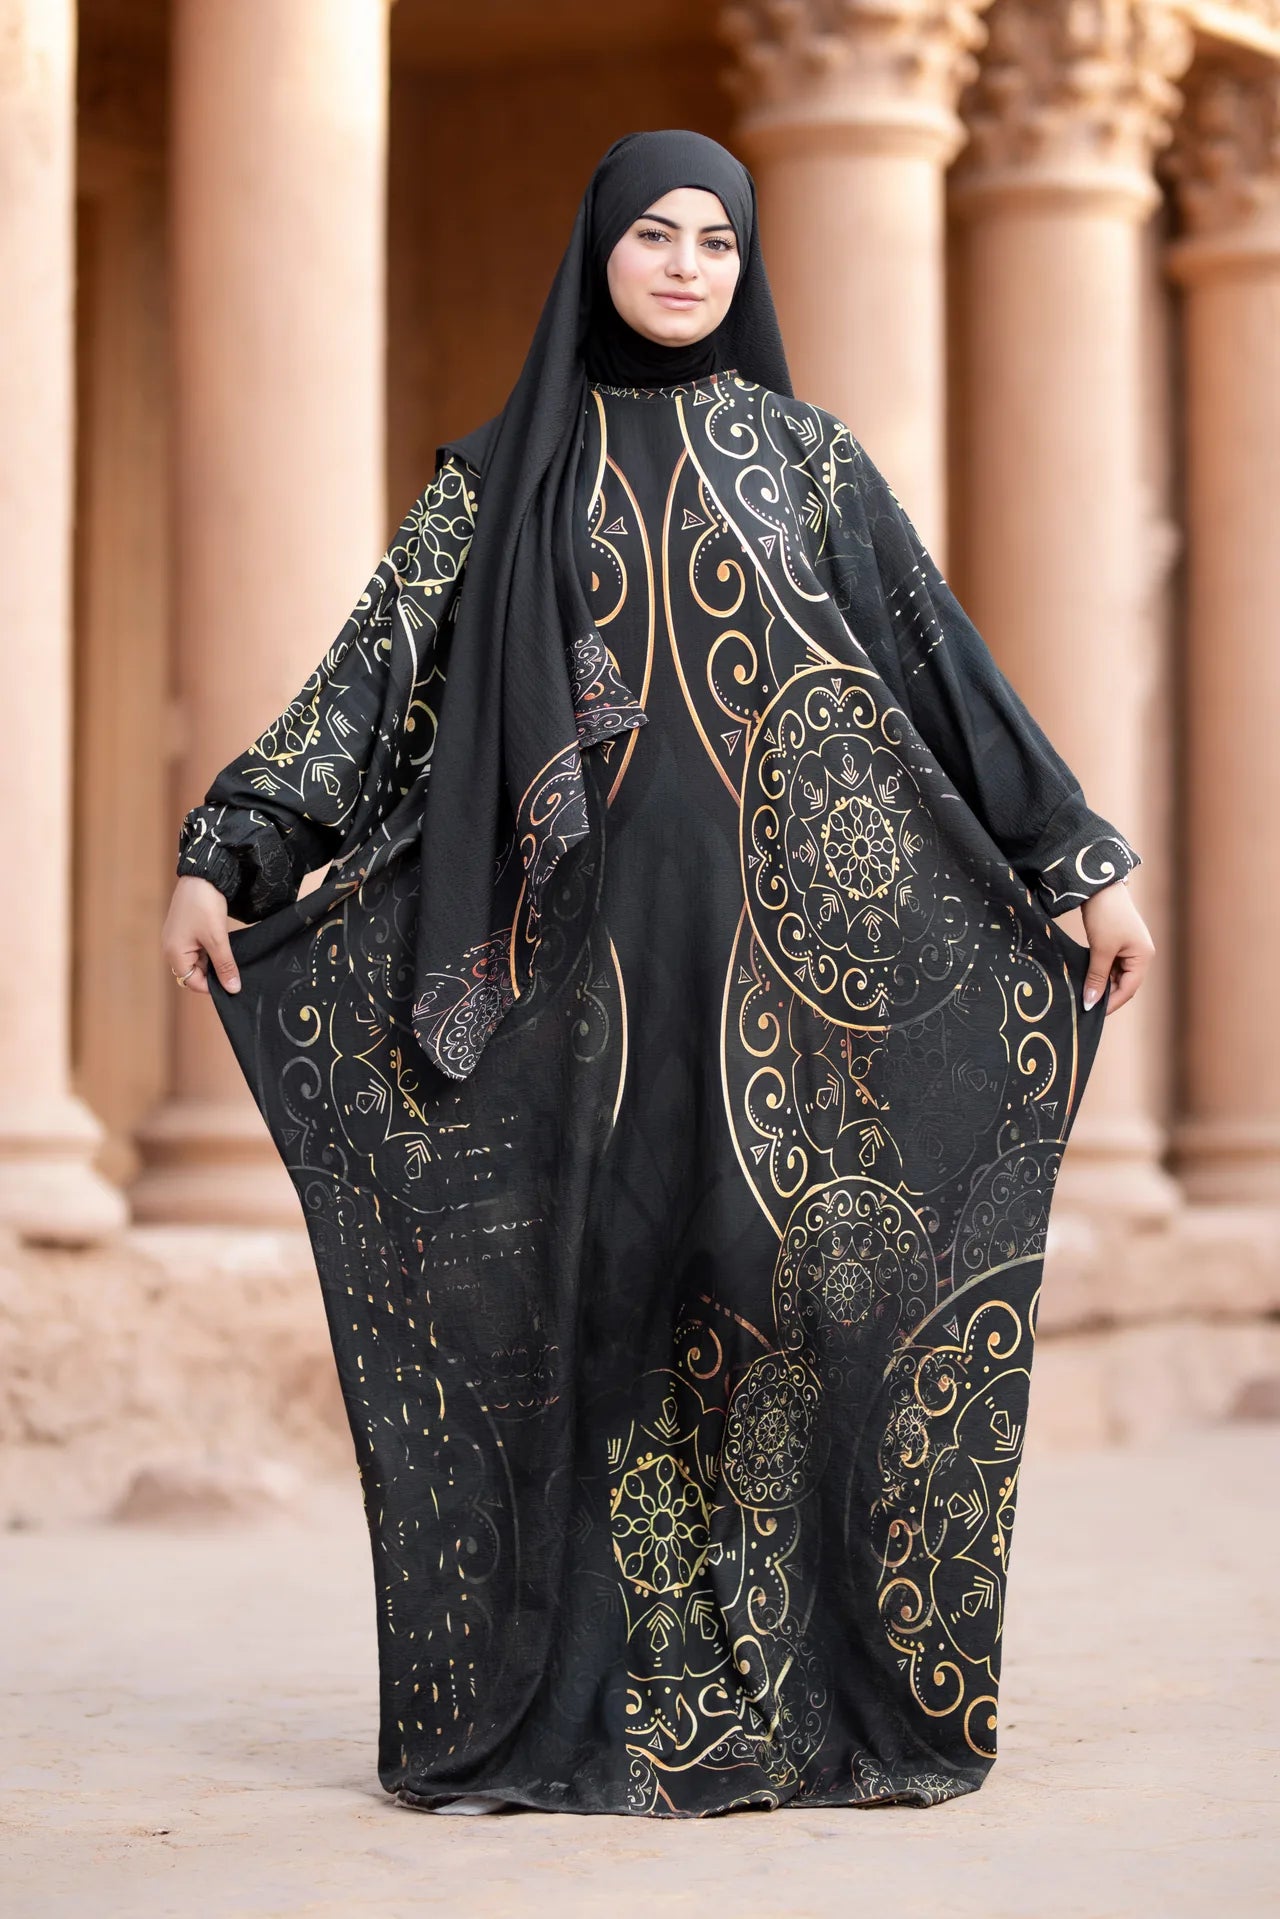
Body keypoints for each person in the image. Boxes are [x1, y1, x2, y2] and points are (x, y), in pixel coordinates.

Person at [162, 129, 1153, 1819]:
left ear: (744, 265)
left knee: (788, 1301)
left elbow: (941, 674)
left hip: (794, 976)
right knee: (592, 1307)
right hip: (573, 984)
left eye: (715, 239)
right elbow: (372, 678)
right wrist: (232, 851)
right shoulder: (504, 477)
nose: (687, 264)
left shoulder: (813, 466)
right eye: (652, 236)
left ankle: (793, 1698)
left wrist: (1079, 864)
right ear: (598, 252)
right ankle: (588, 1708)